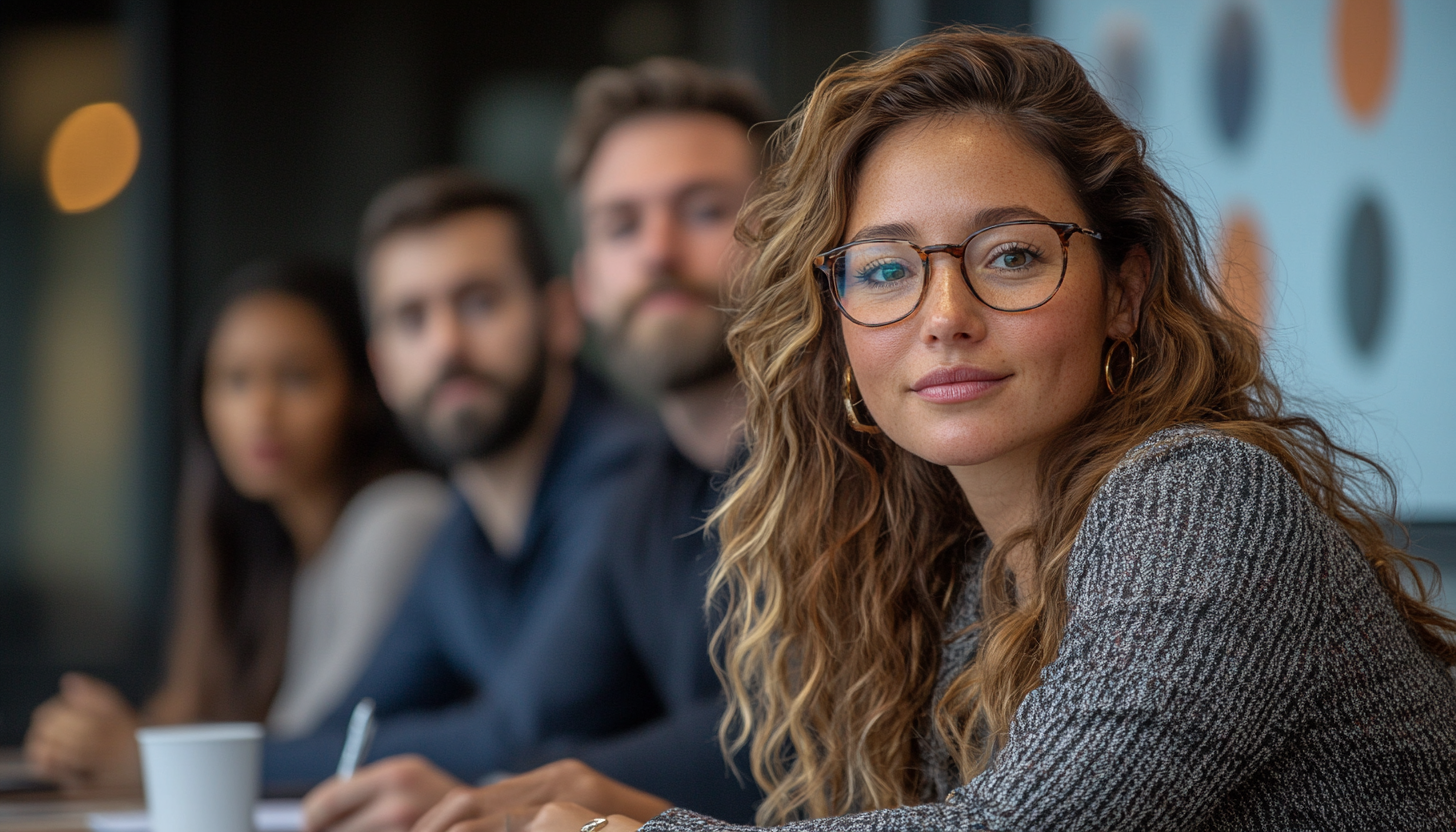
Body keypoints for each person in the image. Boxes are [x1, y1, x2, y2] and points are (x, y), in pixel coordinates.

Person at [414, 27, 1456, 832]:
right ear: (836, 331)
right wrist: (631, 804)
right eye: (884, 270)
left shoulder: (1201, 495)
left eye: (1009, 256)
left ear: (1124, 291)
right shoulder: (957, 571)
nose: (943, 314)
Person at [300, 59, 774, 831]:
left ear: (786, 240)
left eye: (703, 210)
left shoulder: (854, 456)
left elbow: (787, 740)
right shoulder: (645, 490)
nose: (655, 251)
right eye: (622, 224)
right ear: (586, 286)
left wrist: (532, 787)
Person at [263, 172, 669, 795]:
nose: (446, 345)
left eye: (479, 302)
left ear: (560, 317)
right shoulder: (465, 525)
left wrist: (176, 766)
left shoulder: (631, 476)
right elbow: (349, 730)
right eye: (411, 318)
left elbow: (513, 733)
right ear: (383, 368)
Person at [24, 261, 449, 789]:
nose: (261, 410)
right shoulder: (277, 554)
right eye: (235, 381)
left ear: (364, 390)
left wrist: (147, 757)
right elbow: (204, 714)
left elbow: (322, 747)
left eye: (297, 377)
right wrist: (98, 740)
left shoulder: (402, 517)